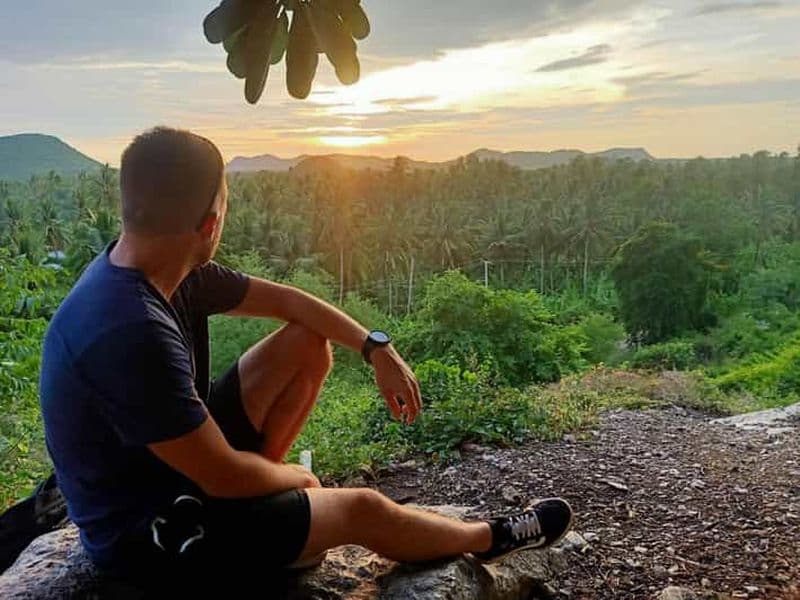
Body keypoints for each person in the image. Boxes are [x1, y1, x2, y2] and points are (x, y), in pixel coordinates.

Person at [39, 127, 573, 589]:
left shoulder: (160, 265)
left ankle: (272, 508)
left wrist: (375, 347)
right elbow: (220, 476)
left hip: (169, 467)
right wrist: (297, 478)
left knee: (304, 342)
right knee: (361, 507)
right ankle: (489, 538)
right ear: (211, 222)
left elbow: (294, 304)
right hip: (151, 533)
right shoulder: (128, 330)